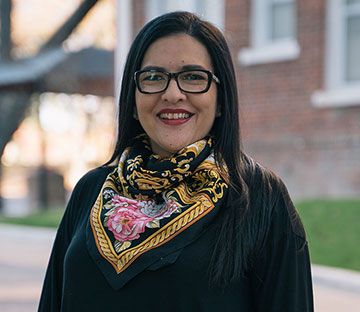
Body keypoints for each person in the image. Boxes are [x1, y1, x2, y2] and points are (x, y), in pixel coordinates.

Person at [38, 11, 314, 311]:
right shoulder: (91, 191)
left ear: (221, 100)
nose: (172, 94)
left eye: (193, 77)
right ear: (133, 100)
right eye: (154, 77)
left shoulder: (261, 198)